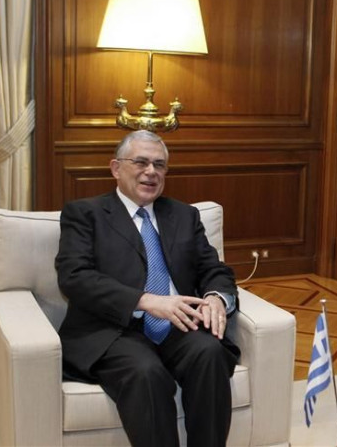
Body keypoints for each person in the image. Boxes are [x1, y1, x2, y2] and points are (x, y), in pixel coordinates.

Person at [56, 130, 239, 447]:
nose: (151, 172)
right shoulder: (85, 214)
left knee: (210, 353)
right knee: (146, 373)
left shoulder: (184, 215)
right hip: (113, 329)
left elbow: (214, 268)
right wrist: (145, 300)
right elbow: (74, 277)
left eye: (159, 165)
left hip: (178, 323)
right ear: (116, 168)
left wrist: (216, 297)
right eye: (140, 162)